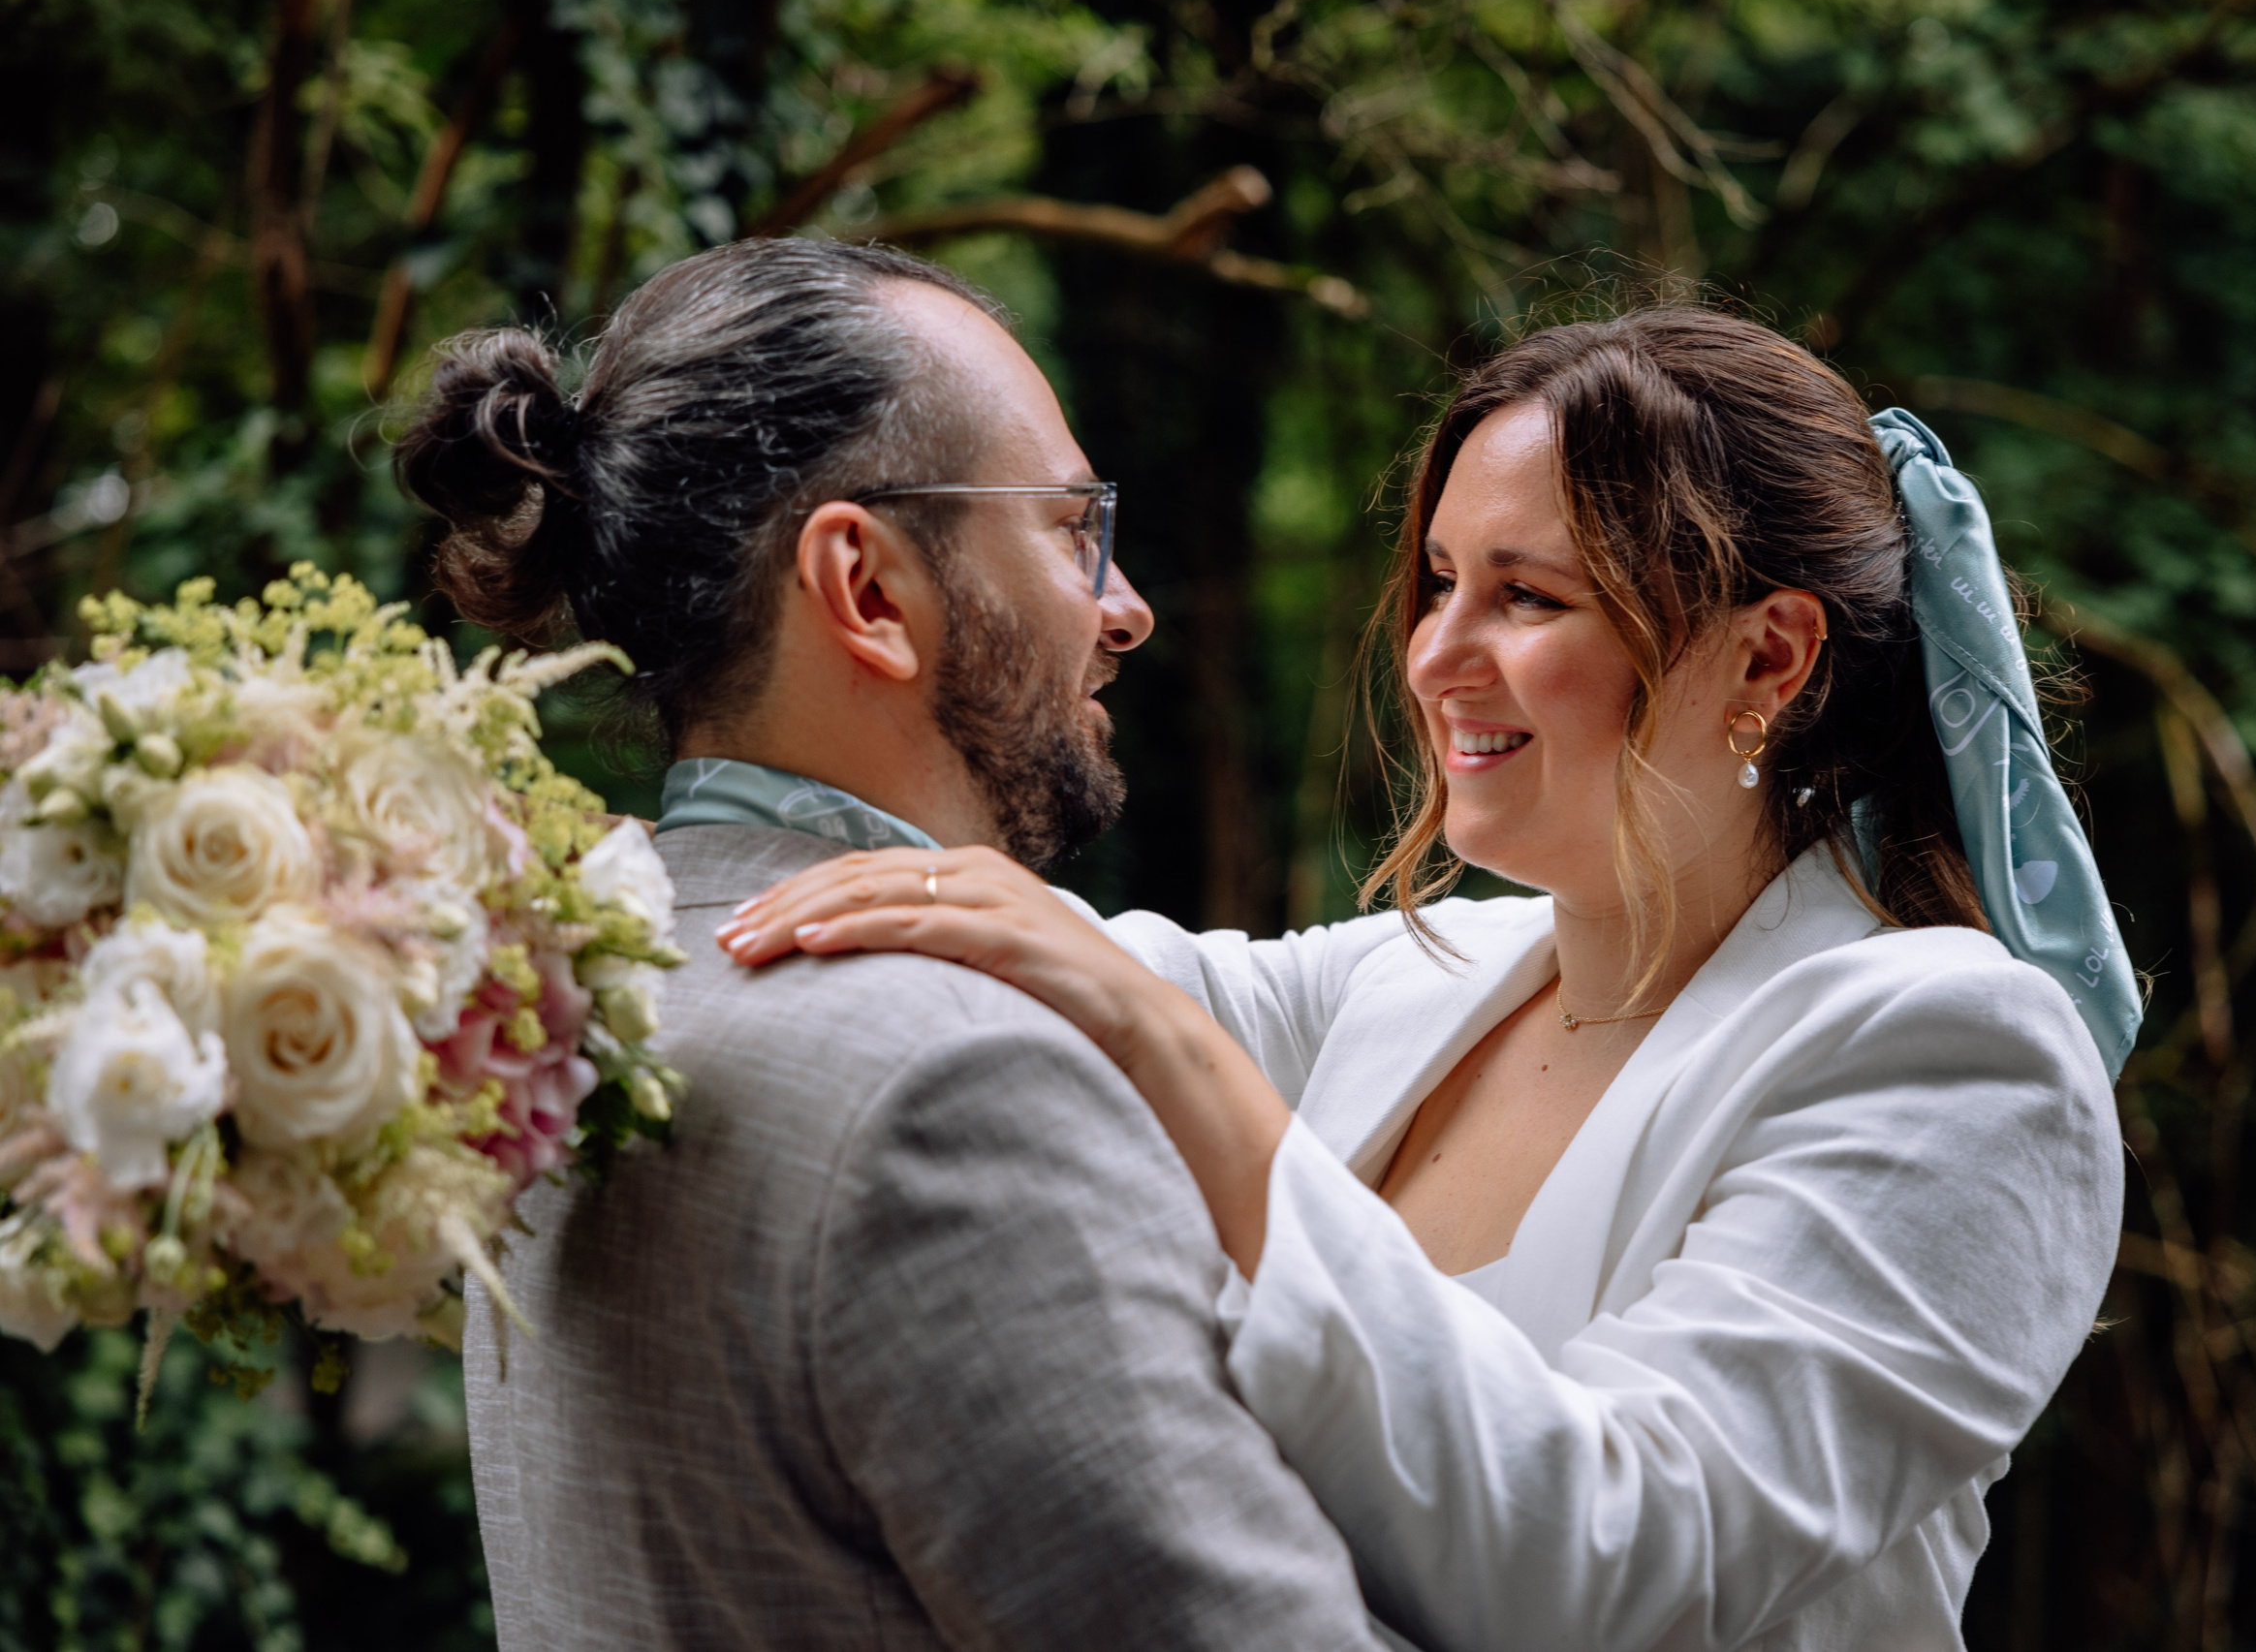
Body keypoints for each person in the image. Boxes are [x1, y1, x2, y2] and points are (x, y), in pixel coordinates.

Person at [719, 307, 2139, 1652]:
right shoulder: (1415, 981)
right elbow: (1001, 965)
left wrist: (1187, 1065)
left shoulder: (1959, 1056)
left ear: (1766, 654)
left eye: (1527, 597)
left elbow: (1605, 1558)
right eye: (1444, 582)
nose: (1437, 656)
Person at [395, 237, 1394, 1652]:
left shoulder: (563, 1008)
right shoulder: (956, 1087)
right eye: (1067, 528)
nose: (1125, 608)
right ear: (866, 589)